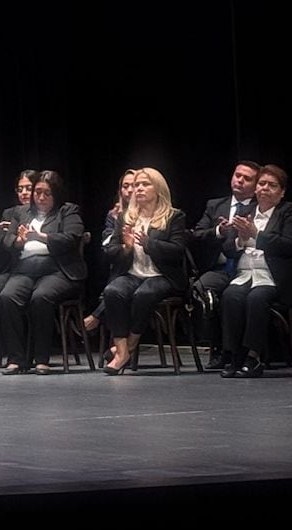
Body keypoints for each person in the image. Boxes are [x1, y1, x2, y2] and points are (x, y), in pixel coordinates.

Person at [0, 169, 85, 374]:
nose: (40, 197)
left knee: (41, 297)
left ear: (56, 194)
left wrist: (42, 237)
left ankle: (42, 359)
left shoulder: (68, 211)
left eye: (46, 193)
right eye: (37, 192)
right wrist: (20, 241)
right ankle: (17, 359)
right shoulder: (22, 213)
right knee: (7, 296)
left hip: (57, 269)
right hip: (25, 268)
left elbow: (72, 238)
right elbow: (7, 241)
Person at [218, 164, 292, 378]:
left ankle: (254, 357)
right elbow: (227, 249)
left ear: (282, 192)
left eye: (272, 185)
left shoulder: (290, 212)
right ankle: (235, 356)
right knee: (230, 296)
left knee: (256, 298)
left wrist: (256, 234)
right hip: (245, 274)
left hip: (275, 277)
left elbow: (291, 246)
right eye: (261, 184)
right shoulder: (246, 211)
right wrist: (240, 241)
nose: (265, 188)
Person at [98, 167, 189, 374]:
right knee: (113, 291)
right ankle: (122, 351)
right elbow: (110, 251)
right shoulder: (125, 217)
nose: (138, 188)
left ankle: (127, 347)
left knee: (144, 294)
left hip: (162, 275)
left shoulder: (173, 216)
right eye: (136, 184)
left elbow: (177, 251)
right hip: (133, 273)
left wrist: (148, 244)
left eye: (145, 184)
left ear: (158, 189)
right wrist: (126, 248)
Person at [191, 160, 261, 368]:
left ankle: (236, 351)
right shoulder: (215, 205)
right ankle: (217, 347)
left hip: (247, 266)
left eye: (247, 178)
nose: (240, 180)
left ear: (256, 185)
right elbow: (197, 234)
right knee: (203, 289)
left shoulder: (261, 207)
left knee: (232, 294)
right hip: (220, 267)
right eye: (237, 175)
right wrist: (219, 231)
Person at [83, 169, 139, 337]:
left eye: (134, 186)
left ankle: (96, 317)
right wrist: (117, 227)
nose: (129, 190)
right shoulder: (114, 215)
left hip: (145, 264)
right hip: (123, 262)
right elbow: (107, 244)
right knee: (115, 269)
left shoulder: (153, 213)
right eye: (125, 186)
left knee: (116, 282)